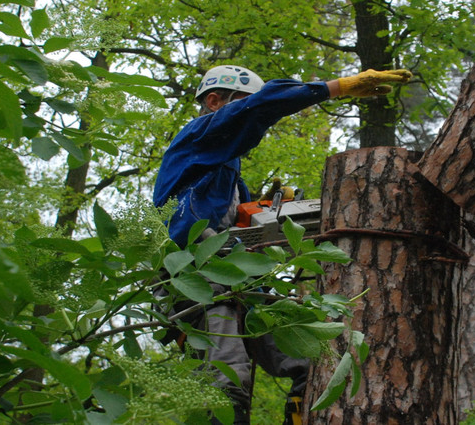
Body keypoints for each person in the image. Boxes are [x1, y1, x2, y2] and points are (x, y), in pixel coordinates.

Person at [153, 64, 411, 425]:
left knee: (311, 360)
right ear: (214, 101)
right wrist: (335, 87)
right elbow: (262, 106)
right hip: (194, 275)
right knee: (227, 377)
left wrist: (262, 208)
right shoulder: (194, 138)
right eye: (243, 103)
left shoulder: (225, 174)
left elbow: (237, 227)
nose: (252, 116)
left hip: (236, 276)